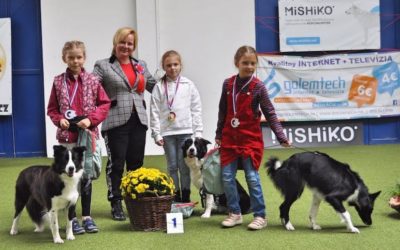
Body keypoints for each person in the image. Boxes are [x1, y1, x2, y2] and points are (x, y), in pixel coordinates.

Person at [215, 45, 290, 230]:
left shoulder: (259, 87)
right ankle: (235, 213)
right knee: (227, 176)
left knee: (252, 177)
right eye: (245, 63)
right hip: (229, 139)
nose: (249, 67)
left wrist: (281, 136)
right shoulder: (227, 84)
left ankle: (260, 215)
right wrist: (218, 134)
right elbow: (222, 112)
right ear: (236, 63)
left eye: (252, 63)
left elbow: (270, 113)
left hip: (250, 140)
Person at [93, 27, 156, 221]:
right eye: (123, 42)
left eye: (130, 44)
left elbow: (156, 86)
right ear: (115, 43)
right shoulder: (103, 65)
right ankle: (116, 202)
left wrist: (171, 76)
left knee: (136, 164)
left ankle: (134, 201)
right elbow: (91, 87)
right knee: (117, 164)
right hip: (115, 121)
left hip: (139, 120)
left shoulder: (141, 65)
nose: (126, 46)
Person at [47, 40, 111, 234]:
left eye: (79, 57)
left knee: (86, 176)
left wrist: (91, 120)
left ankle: (87, 216)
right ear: (64, 58)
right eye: (71, 57)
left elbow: (105, 104)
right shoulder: (58, 82)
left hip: (87, 135)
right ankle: (71, 218)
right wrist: (59, 120)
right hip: (67, 137)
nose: (75, 61)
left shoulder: (92, 80)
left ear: (84, 58)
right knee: (69, 177)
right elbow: (52, 109)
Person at [150, 50, 203, 202]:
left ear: (180, 66)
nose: (172, 68)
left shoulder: (188, 84)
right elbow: (153, 110)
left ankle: (185, 195)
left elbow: (196, 108)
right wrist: (156, 133)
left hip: (186, 133)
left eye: (175, 64)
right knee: (172, 166)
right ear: (163, 67)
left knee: (184, 166)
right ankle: (175, 194)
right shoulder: (159, 86)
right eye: (168, 65)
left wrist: (198, 131)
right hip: (167, 134)